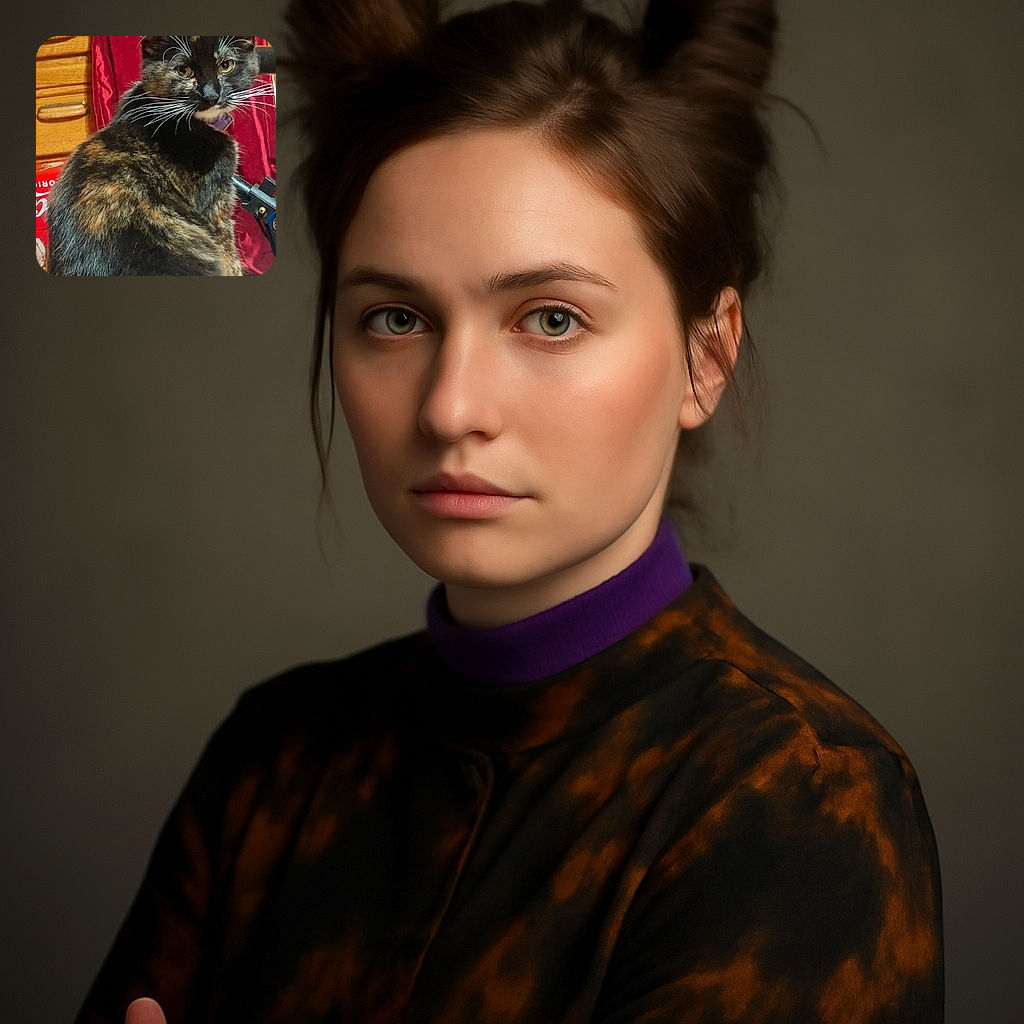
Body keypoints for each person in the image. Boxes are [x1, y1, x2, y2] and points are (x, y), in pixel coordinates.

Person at [76, 1, 944, 1021]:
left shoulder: (799, 795)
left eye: (550, 318)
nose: (450, 407)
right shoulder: (269, 759)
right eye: (393, 318)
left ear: (705, 357)